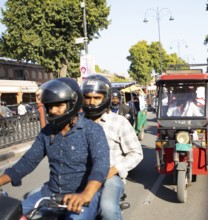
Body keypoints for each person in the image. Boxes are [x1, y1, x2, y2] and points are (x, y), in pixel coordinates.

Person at [0, 78, 110, 219]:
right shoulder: (47, 132)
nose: (53, 110)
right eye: (49, 106)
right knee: (14, 214)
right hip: (49, 194)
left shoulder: (92, 129)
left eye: (59, 105)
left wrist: (86, 194)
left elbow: (101, 164)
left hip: (81, 196)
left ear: (72, 104)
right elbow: (27, 161)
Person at [82, 75, 143, 220]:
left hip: (110, 178)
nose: (91, 102)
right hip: (80, 176)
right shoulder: (76, 122)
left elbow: (136, 153)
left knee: (107, 208)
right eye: (87, 97)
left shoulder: (119, 122)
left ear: (106, 98)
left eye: (97, 98)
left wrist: (113, 170)